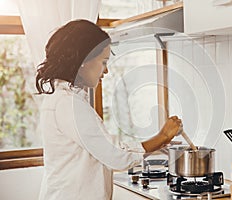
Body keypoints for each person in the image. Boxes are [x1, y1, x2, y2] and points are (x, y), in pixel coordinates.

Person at [35, 19, 182, 200]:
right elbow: (117, 156)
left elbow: (106, 147)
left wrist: (160, 143)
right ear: (83, 61)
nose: (106, 71)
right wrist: (162, 136)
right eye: (103, 62)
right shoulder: (69, 105)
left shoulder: (64, 99)